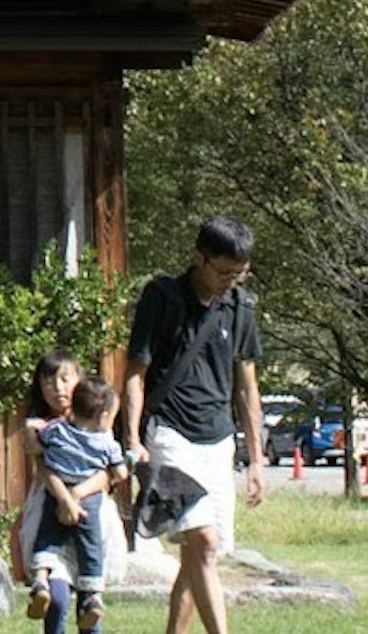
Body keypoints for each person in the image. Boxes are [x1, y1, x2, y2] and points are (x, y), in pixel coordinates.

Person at [117, 214, 266, 634]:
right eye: (223, 272)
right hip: (170, 433)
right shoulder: (162, 298)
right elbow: (134, 373)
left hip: (218, 441)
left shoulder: (240, 307)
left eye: (240, 273)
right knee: (203, 541)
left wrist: (256, 459)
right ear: (199, 257)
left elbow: (247, 388)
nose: (230, 281)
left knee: (200, 557)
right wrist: (132, 438)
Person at [25, 366, 129, 628]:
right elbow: (117, 473)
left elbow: (38, 448)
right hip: (84, 506)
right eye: (50, 379)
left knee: (46, 543)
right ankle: (93, 596)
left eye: (65, 379)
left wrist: (71, 496)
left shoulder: (56, 430)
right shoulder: (104, 440)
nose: (58, 387)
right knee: (90, 553)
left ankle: (40, 580)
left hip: (61, 502)